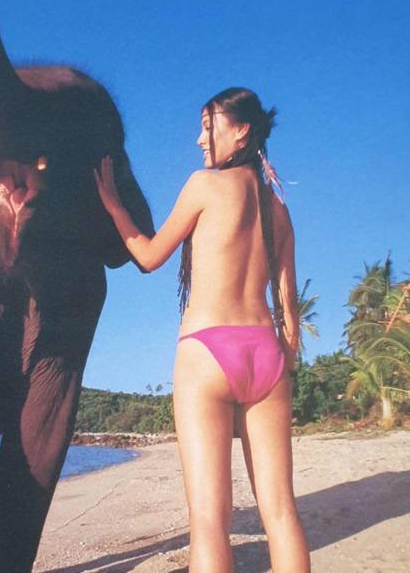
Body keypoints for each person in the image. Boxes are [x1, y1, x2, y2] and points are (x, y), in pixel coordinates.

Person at [93, 87, 310, 572]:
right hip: (267, 355)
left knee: (210, 519)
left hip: (208, 351)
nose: (199, 139)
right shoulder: (278, 210)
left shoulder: (204, 186)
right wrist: (285, 363)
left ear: (241, 131)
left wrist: (113, 205)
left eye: (208, 126)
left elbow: (149, 255)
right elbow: (288, 305)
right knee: (281, 512)